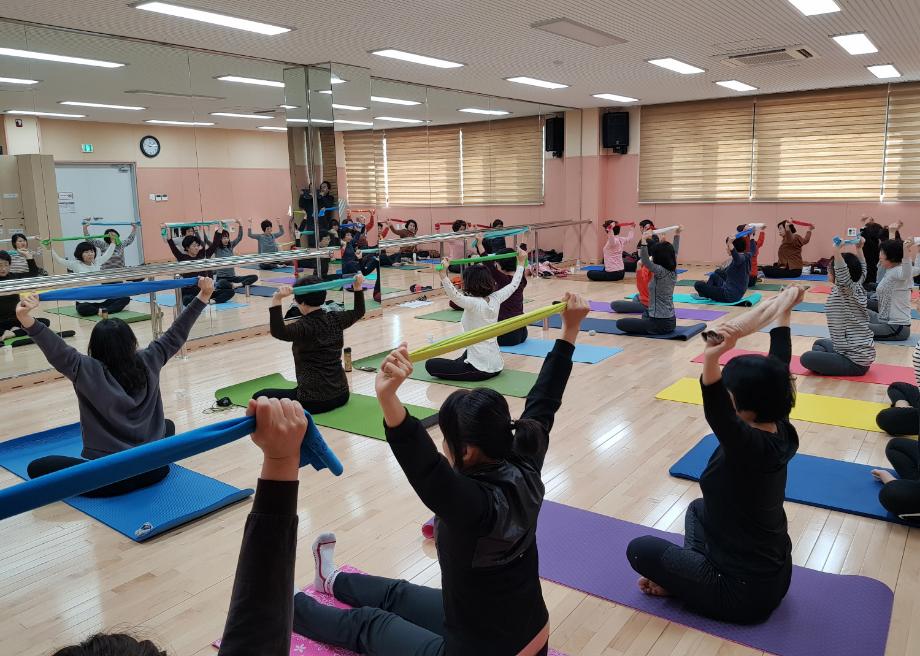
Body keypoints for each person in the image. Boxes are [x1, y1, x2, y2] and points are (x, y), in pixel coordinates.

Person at [292, 294, 589, 656]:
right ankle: (331, 580)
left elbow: (425, 466)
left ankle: (286, 606)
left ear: (467, 451)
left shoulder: (471, 504)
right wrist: (570, 330)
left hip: (484, 650)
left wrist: (388, 397)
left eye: (446, 438)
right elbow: (544, 400)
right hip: (517, 628)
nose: (442, 446)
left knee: (370, 624)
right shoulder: (525, 458)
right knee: (400, 595)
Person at [49, 396, 315, 656]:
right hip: (155, 464)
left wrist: (282, 460)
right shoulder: (147, 367)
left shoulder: (86, 372)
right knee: (166, 427)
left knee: (43, 466)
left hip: (125, 471)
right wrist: (282, 459)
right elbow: (257, 628)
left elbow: (257, 630)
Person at [627, 286, 804, 623]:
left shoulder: (746, 444)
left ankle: (689, 583)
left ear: (742, 404)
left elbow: (717, 411)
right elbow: (779, 365)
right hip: (775, 576)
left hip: (740, 593)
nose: (725, 393)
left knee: (640, 549)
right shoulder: (777, 423)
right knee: (698, 509)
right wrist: (784, 309)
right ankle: (691, 577)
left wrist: (711, 357)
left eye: (729, 391)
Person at [16, 277, 213, 496]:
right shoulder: (151, 358)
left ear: (94, 347)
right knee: (166, 426)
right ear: (131, 343)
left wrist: (25, 317)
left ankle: (113, 477)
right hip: (156, 469)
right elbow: (177, 332)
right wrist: (203, 295)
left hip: (110, 476)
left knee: (37, 467)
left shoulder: (84, 368)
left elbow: (54, 347)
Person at [251, 274, 366, 414]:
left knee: (259, 396)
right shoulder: (336, 318)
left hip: (313, 401)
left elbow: (279, 332)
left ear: (303, 303)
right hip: (342, 395)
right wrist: (357, 287)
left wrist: (277, 299)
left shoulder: (303, 326)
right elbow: (359, 311)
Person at [426, 248, 527, 381]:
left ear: (468, 284)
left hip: (479, 369)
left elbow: (454, 295)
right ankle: (463, 362)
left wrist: (443, 274)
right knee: (467, 352)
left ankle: (463, 365)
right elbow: (514, 284)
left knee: (430, 364)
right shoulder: (496, 298)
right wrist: (521, 263)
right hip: (497, 365)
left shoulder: (472, 303)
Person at [799, 238, 875, 376]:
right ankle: (828, 362)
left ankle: (830, 364)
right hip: (851, 351)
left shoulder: (846, 288)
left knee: (806, 358)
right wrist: (859, 248)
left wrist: (836, 250)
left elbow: (842, 271)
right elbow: (862, 267)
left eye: (830, 269)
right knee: (819, 344)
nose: (828, 271)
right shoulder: (856, 283)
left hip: (854, 361)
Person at [615, 227, 681, 335]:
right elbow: (675, 253)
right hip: (671, 321)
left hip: (659, 323)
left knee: (620, 323)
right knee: (645, 313)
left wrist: (644, 240)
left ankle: (651, 325)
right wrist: (677, 234)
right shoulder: (673, 271)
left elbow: (645, 260)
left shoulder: (659, 271)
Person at [48, 240, 129, 317]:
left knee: (125, 298)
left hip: (101, 299)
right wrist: (50, 248)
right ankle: (102, 310)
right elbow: (59, 260)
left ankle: (104, 310)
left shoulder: (96, 262)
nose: (90, 254)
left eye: (92, 251)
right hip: (85, 301)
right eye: (86, 252)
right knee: (82, 308)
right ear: (80, 254)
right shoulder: (76, 264)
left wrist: (113, 243)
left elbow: (107, 255)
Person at [473, 238, 529, 346]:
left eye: (497, 263)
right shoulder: (520, 277)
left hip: (508, 334)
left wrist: (479, 244)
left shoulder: (503, 280)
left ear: (501, 264)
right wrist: (525, 236)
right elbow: (522, 255)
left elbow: (487, 263)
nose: (495, 266)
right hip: (522, 332)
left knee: (478, 336)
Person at [166, 232, 236, 306]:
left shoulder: (203, 254)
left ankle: (210, 301)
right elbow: (173, 247)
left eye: (198, 245)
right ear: (187, 248)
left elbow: (214, 245)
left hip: (204, 291)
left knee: (230, 292)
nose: (197, 248)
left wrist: (218, 231)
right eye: (194, 246)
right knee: (186, 299)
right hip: (191, 292)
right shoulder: (182, 258)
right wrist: (167, 233)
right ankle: (203, 301)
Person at [867, 238, 913, 341]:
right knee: (855, 309)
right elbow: (892, 246)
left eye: (882, 253)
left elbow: (907, 273)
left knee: (852, 328)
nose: (880, 255)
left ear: (892, 256)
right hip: (882, 320)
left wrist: (906, 251)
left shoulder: (899, 271)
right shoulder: (890, 270)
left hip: (896, 327)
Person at [693, 232, 756, 303]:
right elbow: (753, 250)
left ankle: (705, 294)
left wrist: (730, 243)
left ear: (733, 248)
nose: (726, 249)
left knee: (698, 284)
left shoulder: (738, 259)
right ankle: (706, 294)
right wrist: (751, 235)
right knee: (714, 275)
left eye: (728, 247)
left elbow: (737, 257)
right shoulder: (747, 255)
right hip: (734, 291)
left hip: (728, 295)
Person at [0, 250, 50, 339]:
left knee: (44, 322)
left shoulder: (14, 277)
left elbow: (33, 273)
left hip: (16, 319)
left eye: (6, 265)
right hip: (1, 322)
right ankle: (14, 331)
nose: (3, 268)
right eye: (0, 265)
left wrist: (29, 257)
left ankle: (13, 333)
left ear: (10, 265)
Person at [210, 222, 259, 291]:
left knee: (254, 277)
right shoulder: (216, 248)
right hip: (221, 278)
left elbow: (239, 237)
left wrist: (240, 224)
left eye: (227, 238)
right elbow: (209, 241)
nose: (226, 240)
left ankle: (238, 284)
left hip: (233, 277)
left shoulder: (230, 245)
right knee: (221, 283)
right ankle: (231, 285)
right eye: (224, 238)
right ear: (219, 239)